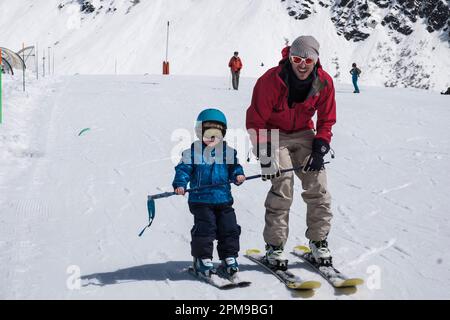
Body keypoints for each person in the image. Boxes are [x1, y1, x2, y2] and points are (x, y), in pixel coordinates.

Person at [246, 35, 336, 270]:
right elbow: (256, 120)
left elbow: (326, 119)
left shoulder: (323, 82)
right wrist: (265, 155)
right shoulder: (271, 81)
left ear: (316, 60)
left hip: (304, 132)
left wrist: (321, 146)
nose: (302, 64)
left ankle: (318, 240)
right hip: (273, 134)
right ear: (290, 57)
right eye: (297, 58)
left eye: (308, 59)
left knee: (318, 185)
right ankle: (274, 247)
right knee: (283, 183)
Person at [173, 108, 246, 277]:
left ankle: (229, 257)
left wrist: (238, 175)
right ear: (200, 133)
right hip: (201, 200)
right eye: (208, 133)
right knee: (205, 229)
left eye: (217, 133)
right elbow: (183, 169)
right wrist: (180, 184)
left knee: (229, 228)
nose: (213, 137)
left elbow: (235, 167)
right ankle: (202, 258)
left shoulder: (228, 153)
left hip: (223, 199)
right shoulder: (192, 153)